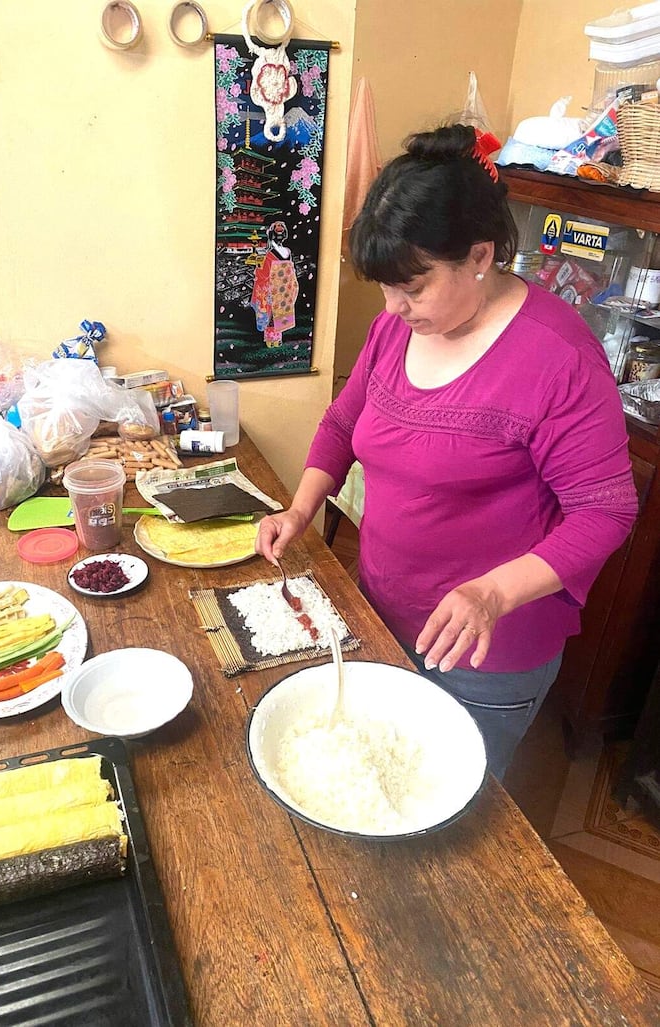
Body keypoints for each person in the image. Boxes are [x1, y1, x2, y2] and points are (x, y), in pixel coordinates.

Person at [256, 123, 638, 779]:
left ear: (481, 255)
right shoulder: (393, 328)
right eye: (385, 288)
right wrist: (300, 507)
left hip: (488, 649)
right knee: (374, 776)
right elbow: (346, 420)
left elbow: (606, 512)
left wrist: (492, 593)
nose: (394, 307)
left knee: (449, 813)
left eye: (415, 286)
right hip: (383, 610)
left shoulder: (557, 357)